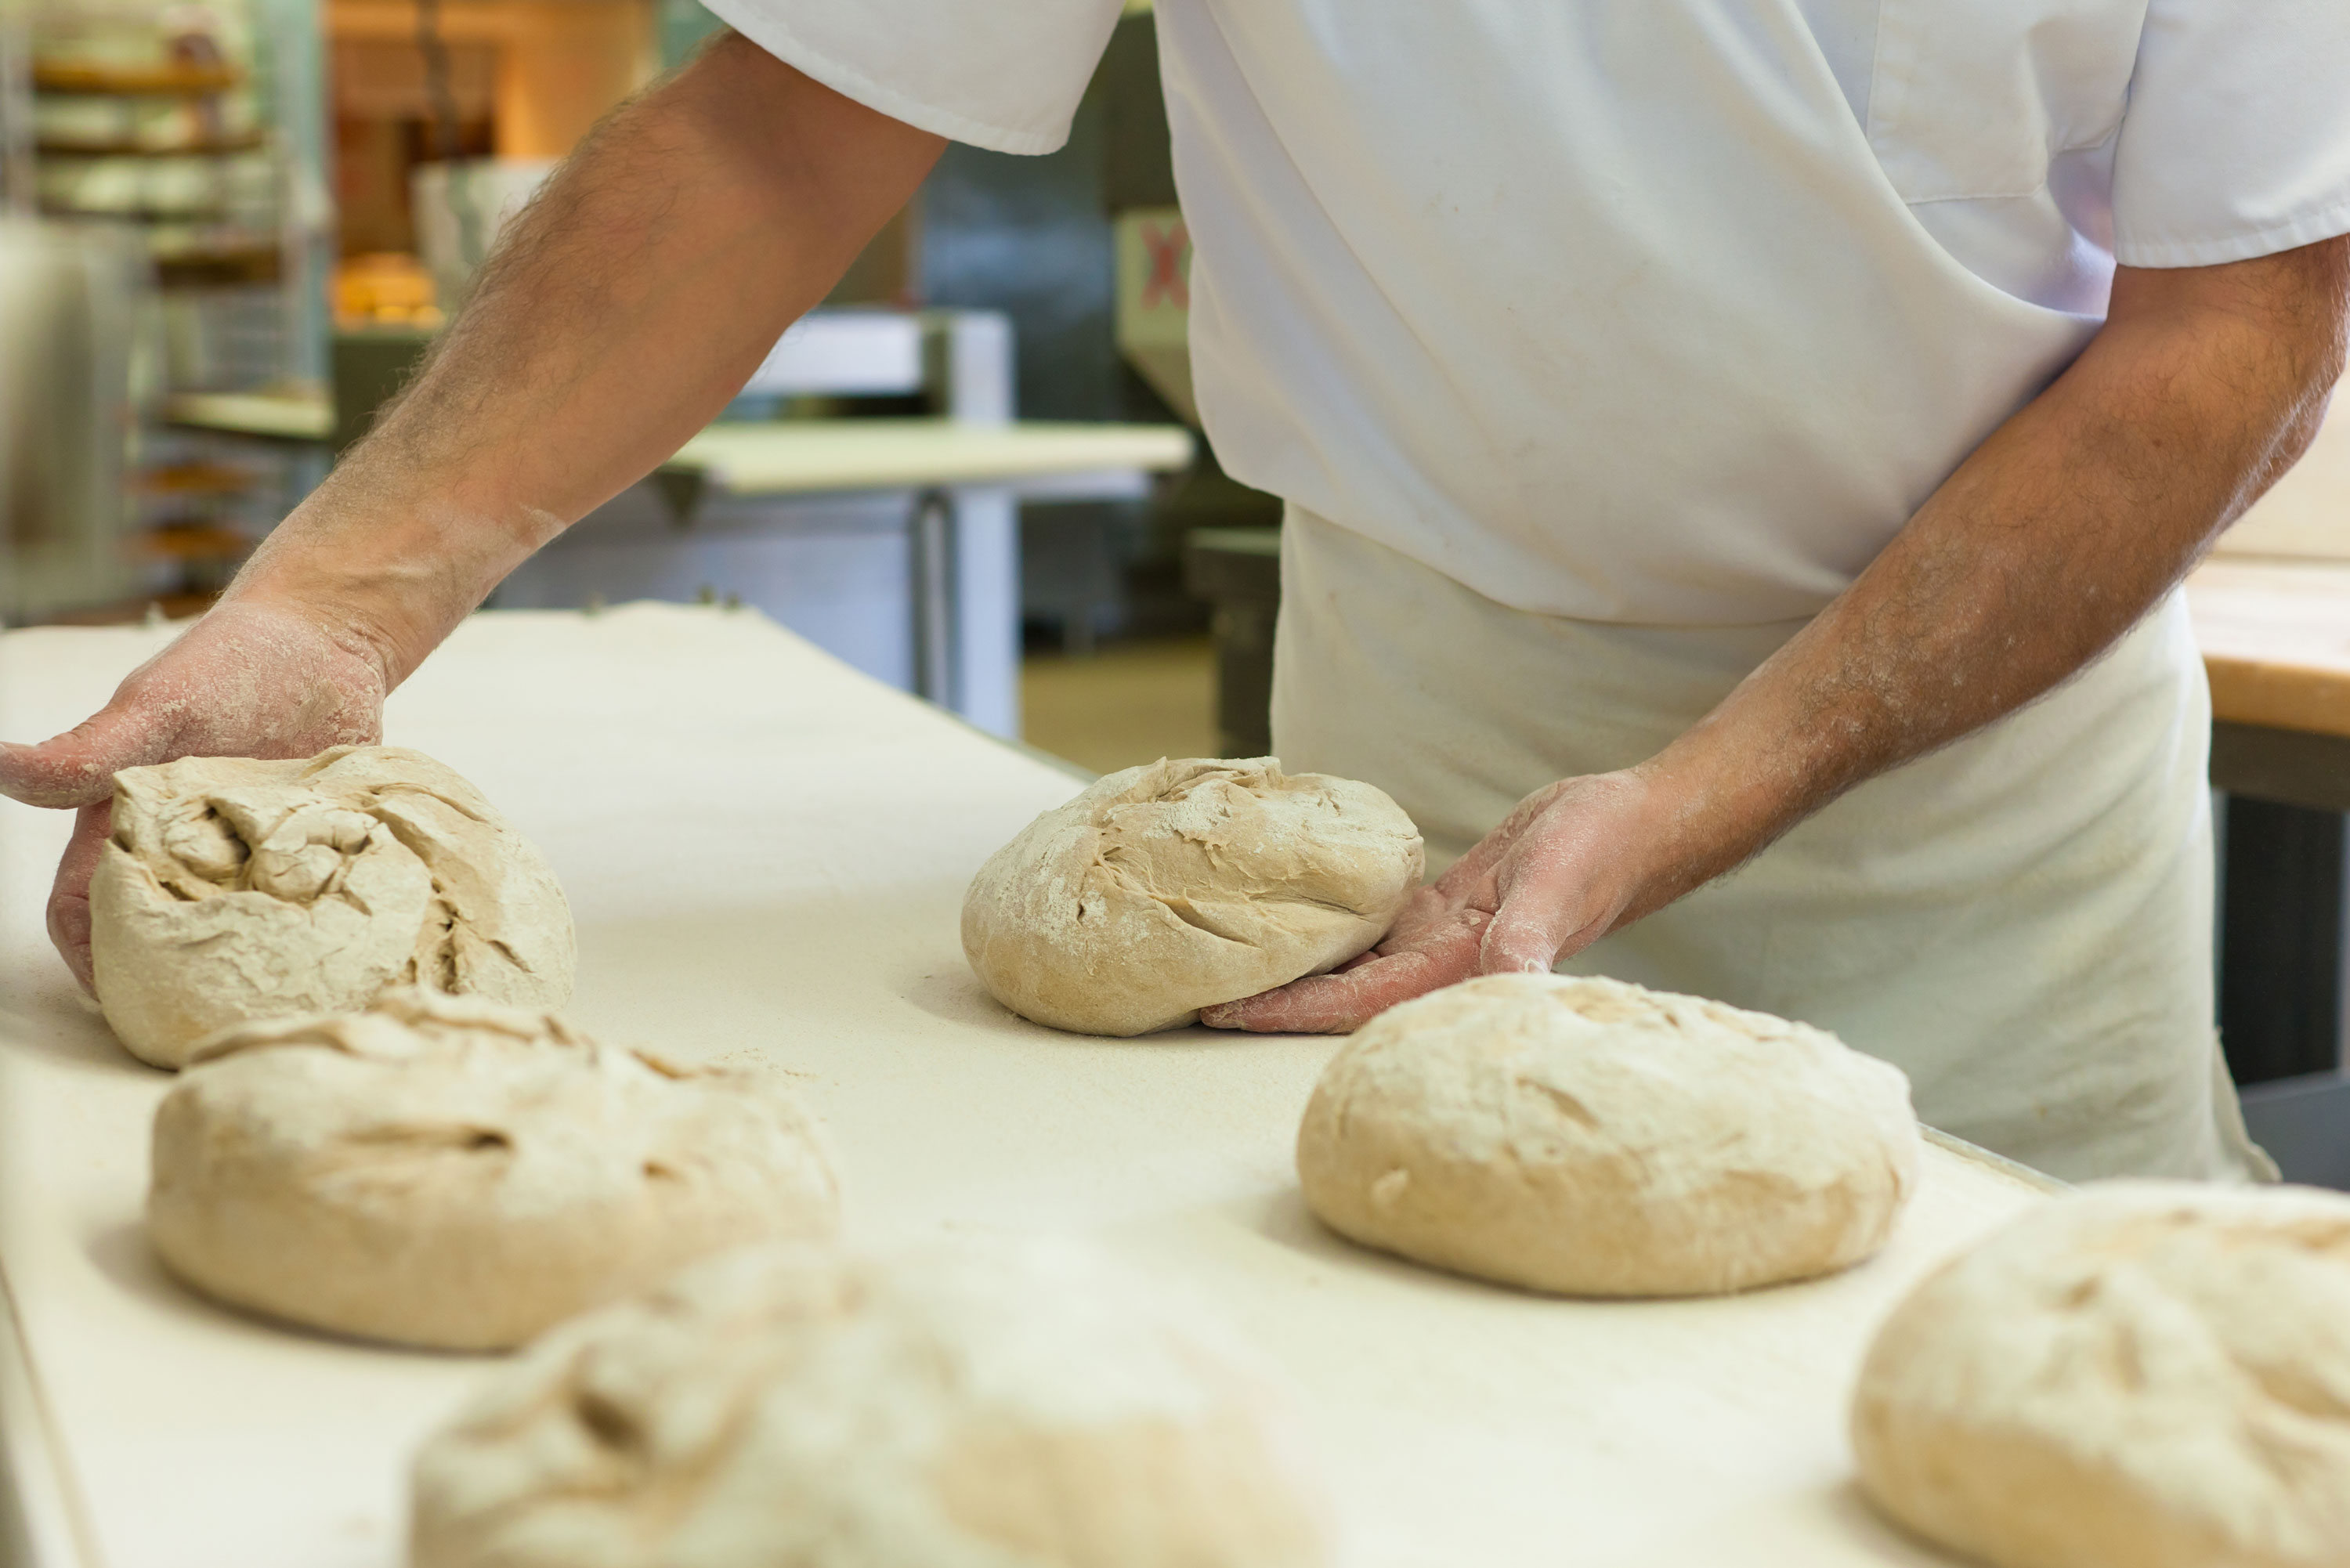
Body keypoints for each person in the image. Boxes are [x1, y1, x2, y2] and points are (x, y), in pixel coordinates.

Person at [4, 3, 2346, 1181]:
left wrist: (1709, 787)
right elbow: (783, 126)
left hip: (1971, 804)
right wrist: (336, 602)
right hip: (1408, 781)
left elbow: (2236, 325)